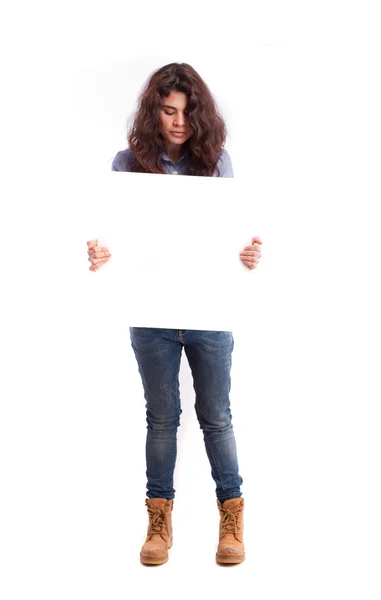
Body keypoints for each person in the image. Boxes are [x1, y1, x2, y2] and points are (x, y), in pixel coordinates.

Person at [86, 62, 262, 565]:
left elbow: (235, 240)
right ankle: (158, 523)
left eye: (186, 112)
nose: (178, 122)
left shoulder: (217, 162)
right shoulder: (127, 163)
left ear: (199, 114)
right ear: (154, 113)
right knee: (161, 419)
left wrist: (247, 256)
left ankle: (232, 518)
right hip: (151, 313)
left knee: (217, 418)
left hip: (208, 309)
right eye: (168, 111)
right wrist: (100, 254)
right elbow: (111, 239)